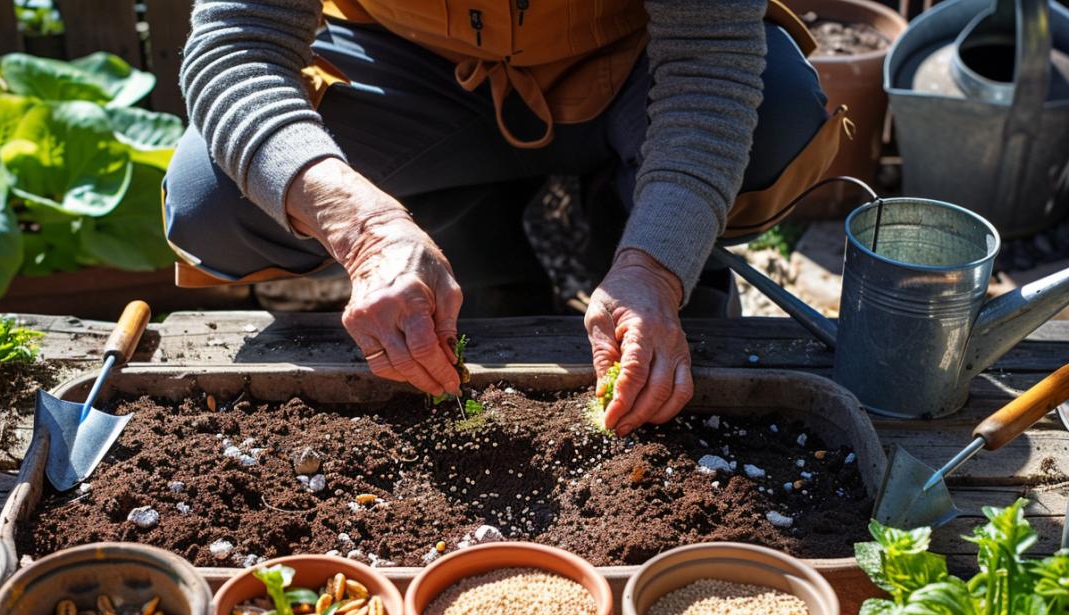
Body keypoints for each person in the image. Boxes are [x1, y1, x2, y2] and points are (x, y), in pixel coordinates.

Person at [165, 0, 842, 436]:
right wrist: (366, 230)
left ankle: (651, 286)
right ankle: (483, 266)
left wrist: (656, 268)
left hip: (625, 64)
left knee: (777, 114)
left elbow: (710, 64)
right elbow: (236, 47)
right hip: (407, 70)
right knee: (212, 196)